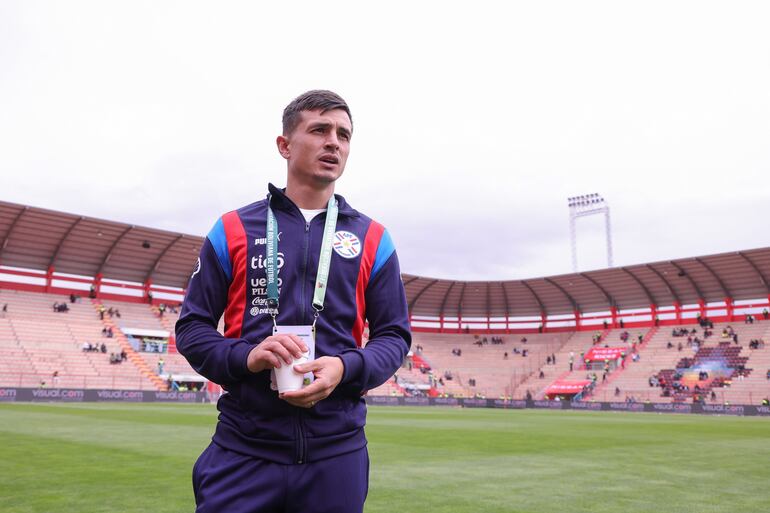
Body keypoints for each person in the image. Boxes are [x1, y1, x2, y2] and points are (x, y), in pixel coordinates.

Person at [176, 90, 411, 513]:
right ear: (285, 145)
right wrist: (247, 357)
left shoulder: (374, 238)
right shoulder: (232, 229)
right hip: (244, 449)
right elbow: (191, 329)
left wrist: (346, 366)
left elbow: (394, 336)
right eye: (319, 130)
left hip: (336, 455)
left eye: (343, 134)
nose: (334, 142)